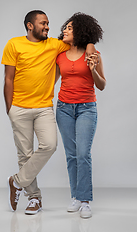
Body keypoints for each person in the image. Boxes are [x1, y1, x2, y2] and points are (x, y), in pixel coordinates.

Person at [1, 10, 97, 215]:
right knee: (25, 155)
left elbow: (79, 41)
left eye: (48, 23)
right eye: (43, 23)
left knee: (50, 145)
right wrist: (10, 109)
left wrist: (89, 45)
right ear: (30, 25)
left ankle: (16, 181)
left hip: (44, 107)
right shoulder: (13, 44)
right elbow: (8, 78)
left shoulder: (54, 44)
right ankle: (34, 198)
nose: (48, 27)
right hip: (18, 107)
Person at [55, 12, 106, 218]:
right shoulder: (59, 55)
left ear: (81, 30)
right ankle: (75, 196)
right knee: (71, 155)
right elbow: (52, 81)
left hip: (86, 108)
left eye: (69, 27)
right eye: (65, 27)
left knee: (83, 154)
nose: (65, 30)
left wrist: (93, 69)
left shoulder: (93, 53)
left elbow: (101, 85)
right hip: (64, 108)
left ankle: (85, 201)